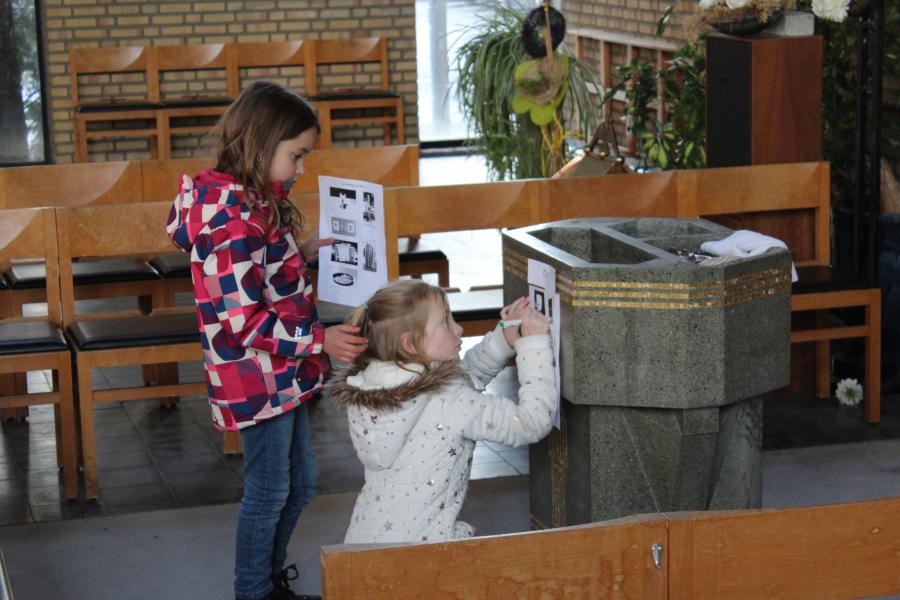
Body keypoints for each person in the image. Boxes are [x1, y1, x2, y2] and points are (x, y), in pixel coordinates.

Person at [166, 81, 367, 600]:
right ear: (260, 146)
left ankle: (269, 581)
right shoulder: (231, 221)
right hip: (254, 376)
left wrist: (299, 252)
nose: (301, 169)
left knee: (299, 485)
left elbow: (257, 276)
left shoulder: (253, 201)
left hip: (281, 372)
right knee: (269, 490)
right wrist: (320, 340)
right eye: (296, 156)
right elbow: (243, 322)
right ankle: (253, 591)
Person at [326, 280, 556, 544]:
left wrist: (504, 339)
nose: (458, 328)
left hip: (366, 543)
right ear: (411, 345)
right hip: (421, 556)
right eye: (445, 321)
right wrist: (535, 344)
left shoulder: (381, 380)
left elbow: (457, 382)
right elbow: (530, 422)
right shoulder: (446, 400)